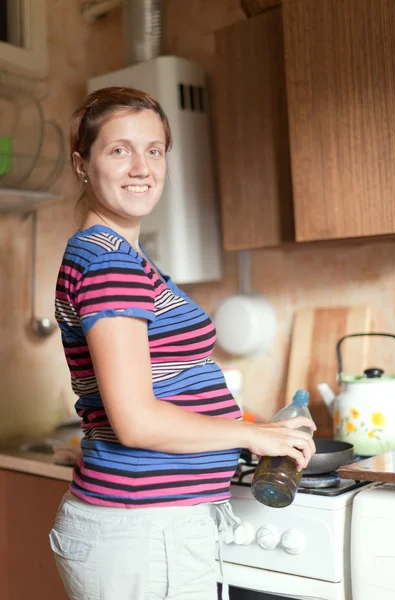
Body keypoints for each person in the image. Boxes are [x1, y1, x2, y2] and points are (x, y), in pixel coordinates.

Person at [50, 86, 316, 600]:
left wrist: (247, 426)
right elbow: (136, 421)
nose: (141, 167)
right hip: (143, 529)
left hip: (149, 528)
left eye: (154, 150)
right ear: (83, 164)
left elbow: (164, 388)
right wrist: (252, 437)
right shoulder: (109, 262)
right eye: (119, 149)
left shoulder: (117, 254)